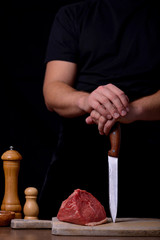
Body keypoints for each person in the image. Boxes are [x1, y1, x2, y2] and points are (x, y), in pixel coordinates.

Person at [39, 0, 160, 219]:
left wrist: (134, 110)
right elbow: (52, 90)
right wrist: (88, 101)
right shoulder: (73, 14)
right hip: (76, 153)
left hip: (153, 156)